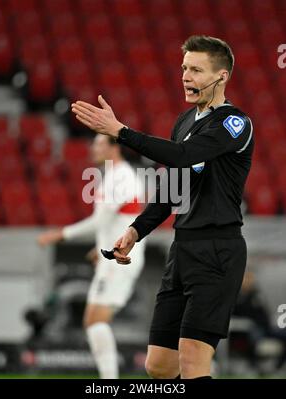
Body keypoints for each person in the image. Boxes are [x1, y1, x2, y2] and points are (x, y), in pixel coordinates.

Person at [71, 35, 254, 379]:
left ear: (222, 76)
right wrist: (135, 230)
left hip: (218, 250)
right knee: (158, 365)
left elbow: (184, 155)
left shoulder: (235, 124)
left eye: (196, 70)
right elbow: (172, 190)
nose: (186, 76)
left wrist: (120, 131)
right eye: (184, 68)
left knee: (193, 357)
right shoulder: (184, 123)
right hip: (181, 250)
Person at [37, 135, 146, 379]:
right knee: (93, 321)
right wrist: (100, 248)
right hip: (113, 255)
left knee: (96, 320)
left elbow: (101, 221)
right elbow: (117, 222)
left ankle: (110, 381)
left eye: (99, 144)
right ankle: (109, 379)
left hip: (121, 258)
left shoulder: (123, 177)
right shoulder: (113, 176)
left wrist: (61, 234)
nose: (93, 148)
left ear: (114, 147)